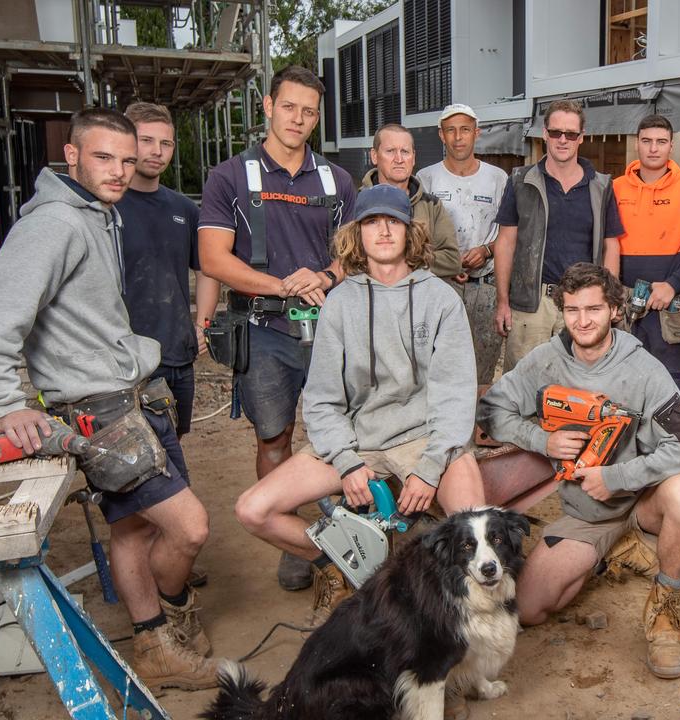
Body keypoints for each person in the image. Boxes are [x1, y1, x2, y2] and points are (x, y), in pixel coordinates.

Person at [0, 108, 219, 691]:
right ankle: (170, 615)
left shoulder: (98, 213)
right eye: (104, 157)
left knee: (133, 530)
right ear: (73, 155)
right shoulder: (54, 222)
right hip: (100, 409)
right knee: (189, 528)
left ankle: (154, 639)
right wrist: (5, 400)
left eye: (127, 160)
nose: (118, 171)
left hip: (132, 394)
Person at [234, 183, 485, 628]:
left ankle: (449, 639)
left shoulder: (441, 300)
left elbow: (455, 396)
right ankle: (347, 564)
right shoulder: (340, 303)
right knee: (254, 509)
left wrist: (430, 468)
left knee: (473, 532)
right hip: (359, 437)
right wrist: (347, 463)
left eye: (393, 221)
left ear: (411, 233)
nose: (384, 231)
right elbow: (323, 398)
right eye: (372, 222)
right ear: (357, 233)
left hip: (424, 436)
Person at [478, 262, 680, 680]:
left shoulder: (645, 371)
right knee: (528, 610)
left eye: (594, 310)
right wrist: (540, 439)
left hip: (642, 503)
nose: (582, 321)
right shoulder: (544, 362)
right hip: (588, 514)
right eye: (572, 310)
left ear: (615, 310)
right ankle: (613, 551)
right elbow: (491, 410)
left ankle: (666, 608)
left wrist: (616, 478)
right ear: (561, 311)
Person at [198, 65, 356, 592]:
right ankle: (295, 542)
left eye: (309, 111)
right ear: (268, 106)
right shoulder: (229, 179)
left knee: (343, 434)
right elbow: (213, 260)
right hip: (265, 330)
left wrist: (326, 275)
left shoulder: (337, 180)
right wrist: (282, 286)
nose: (299, 119)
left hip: (331, 328)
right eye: (289, 107)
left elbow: (353, 258)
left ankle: (351, 532)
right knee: (275, 436)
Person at [492, 100, 625, 373]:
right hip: (531, 304)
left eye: (571, 134)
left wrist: (610, 299)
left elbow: (611, 245)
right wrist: (503, 301)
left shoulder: (601, 186)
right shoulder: (521, 181)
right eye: (556, 133)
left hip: (582, 303)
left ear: (581, 138)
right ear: (544, 134)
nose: (562, 140)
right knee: (524, 384)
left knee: (577, 383)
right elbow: (505, 243)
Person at [118, 102, 221, 438]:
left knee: (174, 444)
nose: (157, 151)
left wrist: (201, 324)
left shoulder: (183, 209)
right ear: (127, 141)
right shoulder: (107, 207)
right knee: (130, 454)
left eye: (166, 143)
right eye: (146, 140)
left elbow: (206, 268)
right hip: (125, 359)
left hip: (177, 353)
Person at [612, 114, 680, 392]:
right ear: (636, 146)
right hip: (625, 302)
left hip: (669, 303)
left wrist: (673, 285)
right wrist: (613, 291)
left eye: (661, 142)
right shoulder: (615, 188)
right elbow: (605, 244)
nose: (653, 148)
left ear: (671, 147)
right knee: (623, 384)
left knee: (670, 386)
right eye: (646, 141)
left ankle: (675, 438)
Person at [416, 103, 510, 385]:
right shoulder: (426, 178)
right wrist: (446, 264)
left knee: (481, 374)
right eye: (451, 131)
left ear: (476, 133)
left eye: (465, 130)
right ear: (441, 135)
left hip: (485, 288)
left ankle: (476, 428)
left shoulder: (497, 178)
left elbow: (507, 232)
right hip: (440, 287)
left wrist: (486, 250)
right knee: (440, 369)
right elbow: (417, 238)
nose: (458, 137)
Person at [361, 123, 462, 280]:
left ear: (413, 158)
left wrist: (406, 261)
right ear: (374, 156)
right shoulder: (358, 203)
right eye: (390, 151)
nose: (399, 159)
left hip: (423, 300)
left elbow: (452, 260)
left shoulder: (431, 205)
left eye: (405, 152)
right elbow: (350, 259)